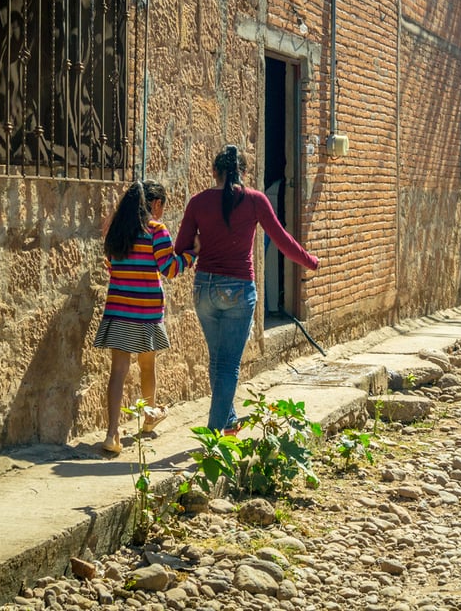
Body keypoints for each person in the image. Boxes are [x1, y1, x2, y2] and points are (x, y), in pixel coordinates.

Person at [174, 145, 319, 435]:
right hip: (238, 289)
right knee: (228, 364)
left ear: (214, 172)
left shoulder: (198, 202)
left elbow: (181, 248)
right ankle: (214, 435)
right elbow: (282, 240)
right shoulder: (254, 200)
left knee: (218, 360)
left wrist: (200, 244)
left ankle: (227, 421)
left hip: (204, 289)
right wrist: (310, 261)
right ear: (243, 172)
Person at [94, 180, 196, 454]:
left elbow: (111, 265)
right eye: (162, 206)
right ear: (156, 204)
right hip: (146, 313)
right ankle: (149, 417)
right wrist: (191, 255)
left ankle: (112, 433)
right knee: (147, 366)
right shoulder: (156, 230)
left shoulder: (117, 231)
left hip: (118, 309)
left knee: (118, 371)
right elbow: (169, 268)